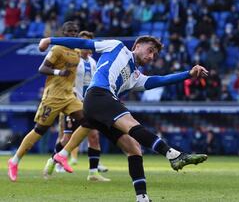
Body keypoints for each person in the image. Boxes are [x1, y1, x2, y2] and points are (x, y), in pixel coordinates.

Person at [38, 35, 209, 202]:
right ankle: (173, 155)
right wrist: (50, 40)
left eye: (154, 55)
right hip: (98, 95)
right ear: (137, 45)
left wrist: (188, 74)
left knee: (134, 148)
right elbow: (84, 42)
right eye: (149, 51)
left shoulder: (136, 77)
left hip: (98, 104)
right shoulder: (116, 46)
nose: (150, 56)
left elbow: (160, 80)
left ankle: (142, 198)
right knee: (132, 125)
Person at [7, 21, 91, 182]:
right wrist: (59, 72)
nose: (73, 33)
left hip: (69, 96)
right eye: (69, 31)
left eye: (75, 31)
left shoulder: (78, 52)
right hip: (52, 96)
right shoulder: (57, 49)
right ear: (63, 33)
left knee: (89, 121)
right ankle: (14, 160)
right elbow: (42, 69)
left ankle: (62, 155)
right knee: (40, 130)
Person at [43, 31, 109, 181]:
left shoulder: (93, 62)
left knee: (94, 136)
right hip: (72, 103)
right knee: (67, 138)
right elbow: (66, 80)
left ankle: (93, 173)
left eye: (88, 43)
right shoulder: (74, 60)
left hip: (88, 105)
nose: (86, 47)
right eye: (83, 42)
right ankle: (52, 161)